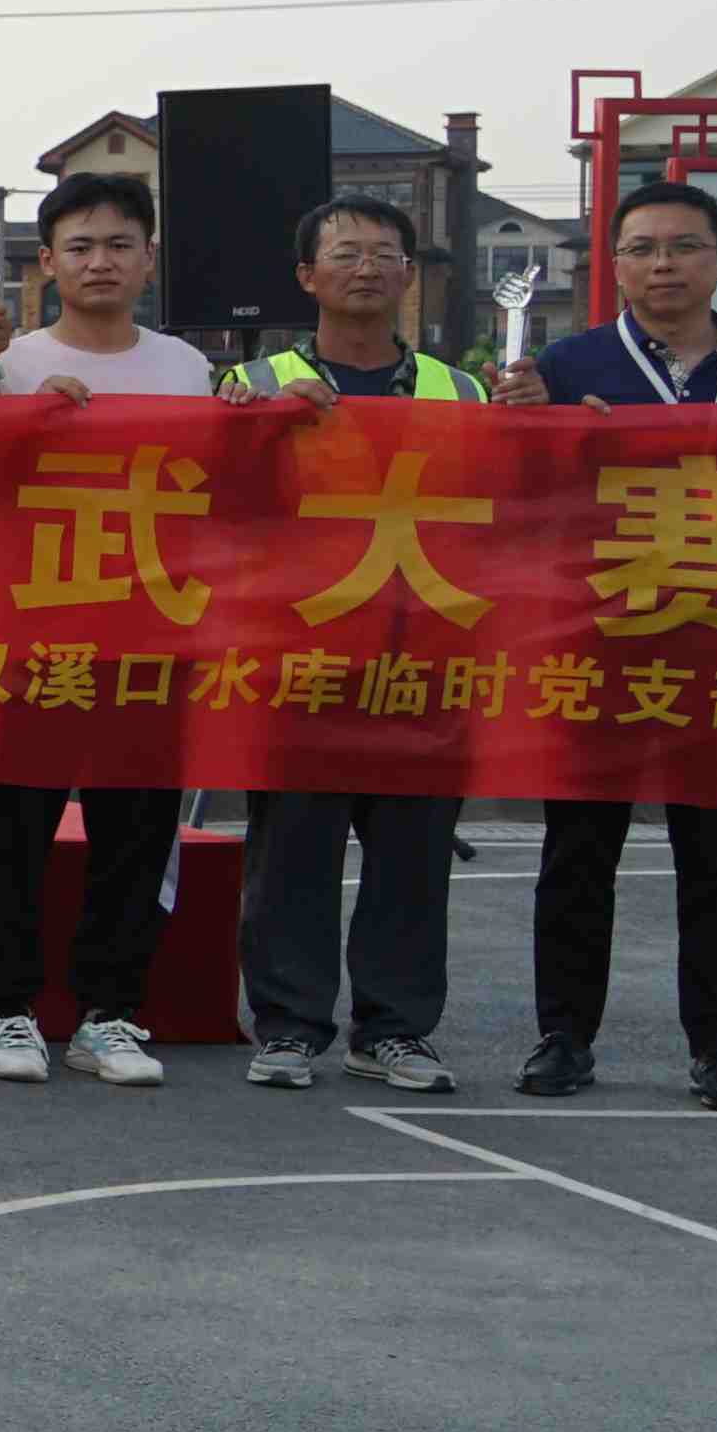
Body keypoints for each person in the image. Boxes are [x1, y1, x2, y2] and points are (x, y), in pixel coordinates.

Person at [499, 178, 717, 1111]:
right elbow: (515, 498)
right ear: (615, 265)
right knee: (577, 852)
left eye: (683, 247)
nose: (662, 264)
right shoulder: (565, 367)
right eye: (641, 249)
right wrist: (527, 426)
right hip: (596, 642)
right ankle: (563, 1036)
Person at [0, 170, 208, 1088]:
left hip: (148, 637)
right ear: (47, 263)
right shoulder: (8, 366)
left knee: (138, 832)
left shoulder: (188, 369)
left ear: (149, 259)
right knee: (13, 830)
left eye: (120, 245)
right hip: (28, 637)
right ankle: (7, 1010)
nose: (101, 262)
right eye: (81, 246)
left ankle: (111, 1013)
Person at [228, 194, 472, 1095]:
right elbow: (213, 508)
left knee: (412, 855)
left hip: (426, 654)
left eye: (384, 253)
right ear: (306, 276)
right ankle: (289, 1027)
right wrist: (259, 428)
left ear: (410, 273)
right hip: (301, 656)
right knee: (292, 851)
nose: (366, 267)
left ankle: (394, 1031)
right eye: (345, 253)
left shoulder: (464, 391)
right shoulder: (252, 383)